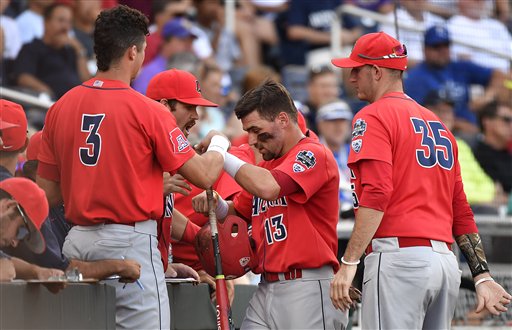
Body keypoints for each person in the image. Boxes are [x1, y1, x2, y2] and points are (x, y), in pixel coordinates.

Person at [35, 6, 228, 330]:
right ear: (133, 51)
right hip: (129, 240)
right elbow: (206, 176)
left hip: (77, 241)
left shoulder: (60, 106)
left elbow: (46, 195)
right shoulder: (148, 110)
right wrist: (221, 144)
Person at [329, 31, 511, 329]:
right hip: (444, 264)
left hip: (398, 260)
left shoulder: (372, 115)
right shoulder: (438, 123)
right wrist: (481, 274)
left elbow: (376, 192)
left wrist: (349, 263)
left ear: (376, 71)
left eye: (356, 69)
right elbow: (460, 209)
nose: (351, 78)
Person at [193, 80, 348, 329]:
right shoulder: (267, 165)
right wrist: (218, 205)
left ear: (283, 120)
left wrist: (221, 152)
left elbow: (269, 188)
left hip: (305, 284)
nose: (252, 140)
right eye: (248, 131)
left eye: (256, 129)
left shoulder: (313, 153)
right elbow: (241, 211)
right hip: (266, 285)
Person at [404, 25, 508, 135]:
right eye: (436, 46)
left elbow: (499, 75)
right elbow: (416, 117)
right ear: (425, 49)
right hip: (441, 132)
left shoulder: (459, 67)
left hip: (473, 128)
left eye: (446, 45)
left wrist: (486, 97)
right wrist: (461, 125)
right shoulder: (415, 77)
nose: (443, 50)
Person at [13, 3, 90, 99]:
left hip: (74, 103)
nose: (65, 27)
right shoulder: (32, 47)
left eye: (69, 22)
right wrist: (47, 92)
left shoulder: (71, 51)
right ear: (46, 22)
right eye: (61, 20)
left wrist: (79, 50)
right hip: (46, 104)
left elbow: (86, 81)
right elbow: (23, 78)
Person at [316, 99, 354, 213]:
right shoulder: (312, 154)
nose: (339, 127)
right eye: (332, 121)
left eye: (342, 121)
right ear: (320, 124)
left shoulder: (356, 152)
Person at [473, 102, 512, 195]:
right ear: (487, 121)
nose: (511, 125)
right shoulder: (475, 155)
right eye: (506, 120)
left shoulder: (508, 154)